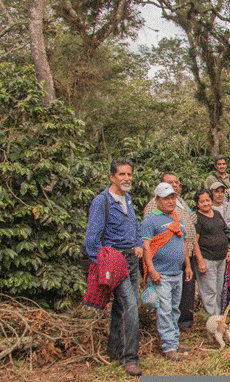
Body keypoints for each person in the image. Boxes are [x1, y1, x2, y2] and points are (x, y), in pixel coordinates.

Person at [85, 158, 142, 376]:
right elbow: (91, 238)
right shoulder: (102, 201)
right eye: (121, 174)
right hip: (115, 260)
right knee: (130, 306)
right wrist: (104, 263)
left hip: (131, 258)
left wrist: (137, 245)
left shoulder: (127, 199)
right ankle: (130, 359)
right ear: (112, 177)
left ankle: (114, 351)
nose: (126, 178)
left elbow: (135, 227)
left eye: (129, 174)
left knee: (121, 307)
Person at [141, 182, 193, 361]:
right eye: (166, 198)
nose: (170, 201)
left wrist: (187, 266)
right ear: (157, 200)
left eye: (172, 197)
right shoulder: (150, 220)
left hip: (177, 272)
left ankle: (174, 341)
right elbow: (146, 247)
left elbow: (184, 242)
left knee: (174, 309)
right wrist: (152, 270)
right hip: (161, 275)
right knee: (163, 310)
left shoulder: (176, 218)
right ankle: (168, 346)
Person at [193, 188, 230, 316]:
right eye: (202, 201)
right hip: (207, 259)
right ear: (197, 204)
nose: (206, 203)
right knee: (210, 291)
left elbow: (224, 232)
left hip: (221, 258)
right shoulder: (197, 218)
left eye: (208, 200)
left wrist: (228, 250)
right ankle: (213, 321)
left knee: (219, 290)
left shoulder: (216, 214)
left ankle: (219, 317)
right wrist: (200, 261)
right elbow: (194, 241)